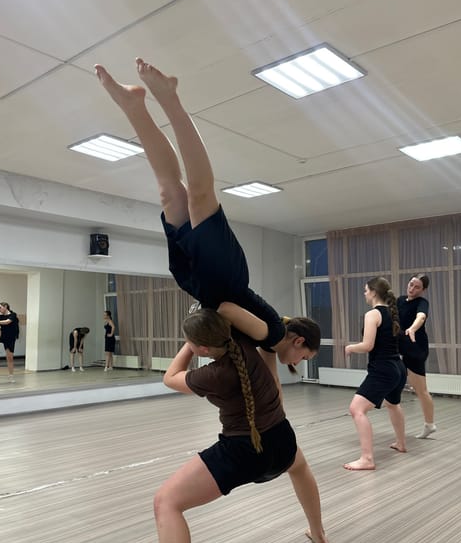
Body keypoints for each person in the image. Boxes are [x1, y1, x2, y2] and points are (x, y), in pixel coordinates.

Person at [95, 59, 320, 387]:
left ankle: (134, 106)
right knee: (197, 194)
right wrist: (208, 336)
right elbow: (227, 309)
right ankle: (169, 99)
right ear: (298, 341)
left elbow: (272, 382)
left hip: (202, 282)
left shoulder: (270, 341)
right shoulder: (272, 333)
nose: (299, 364)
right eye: (305, 358)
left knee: (170, 193)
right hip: (221, 281)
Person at [132, 307, 328, 543]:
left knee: (166, 502)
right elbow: (237, 310)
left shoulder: (213, 375)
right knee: (301, 468)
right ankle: (319, 535)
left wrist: (191, 343)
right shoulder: (249, 341)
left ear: (203, 348)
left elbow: (170, 377)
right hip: (282, 439)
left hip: (244, 451)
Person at [344, 277, 407, 471]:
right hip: (398, 367)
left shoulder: (372, 315)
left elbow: (367, 345)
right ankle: (401, 443)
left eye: (365, 290)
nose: (364, 294)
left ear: (372, 292)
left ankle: (367, 459)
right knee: (393, 405)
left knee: (357, 409)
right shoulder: (392, 313)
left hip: (383, 370)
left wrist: (351, 348)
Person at [397, 274, 436, 439]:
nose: (412, 289)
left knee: (420, 390)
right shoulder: (400, 300)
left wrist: (412, 328)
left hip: (415, 348)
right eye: (411, 284)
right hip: (400, 346)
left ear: (423, 290)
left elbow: (421, 317)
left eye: (417, 287)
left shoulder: (422, 303)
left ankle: (429, 425)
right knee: (394, 379)